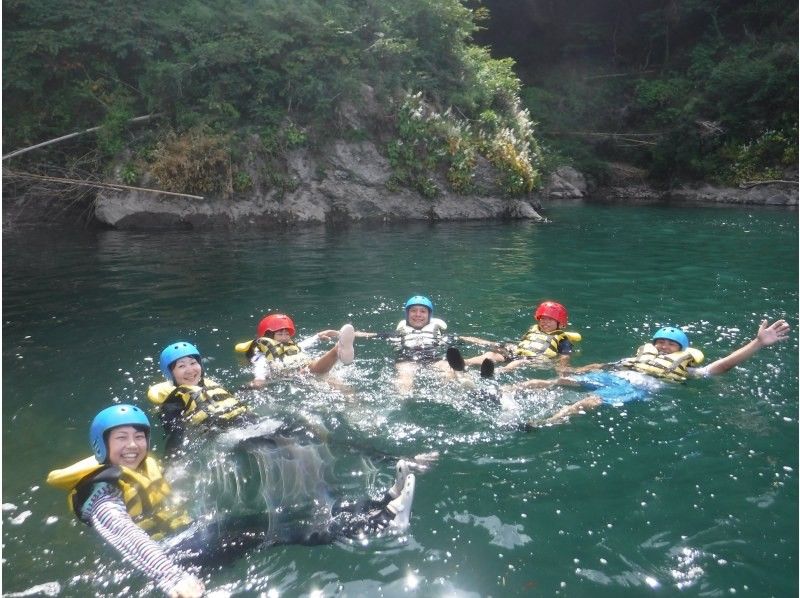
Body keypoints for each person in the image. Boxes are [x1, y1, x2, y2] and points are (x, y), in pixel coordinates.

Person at [47, 405, 417, 597]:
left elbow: (168, 489)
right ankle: (380, 524)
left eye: (139, 437)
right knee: (274, 531)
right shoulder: (99, 491)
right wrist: (171, 577)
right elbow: (124, 533)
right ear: (102, 444)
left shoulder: (144, 465)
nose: (132, 447)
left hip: (190, 535)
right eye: (121, 439)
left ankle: (376, 504)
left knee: (279, 515)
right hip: (171, 557)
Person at [513, 319, 791, 426]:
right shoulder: (640, 356)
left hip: (636, 388)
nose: (664, 347)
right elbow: (607, 365)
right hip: (617, 376)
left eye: (671, 344)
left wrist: (757, 343)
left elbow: (723, 366)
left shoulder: (688, 369)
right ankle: (502, 392)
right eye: (660, 342)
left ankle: (544, 422)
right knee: (559, 381)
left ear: (681, 349)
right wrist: (580, 368)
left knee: (588, 402)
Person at [148, 341, 253, 457]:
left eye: (193, 363)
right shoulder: (174, 402)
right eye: (181, 366)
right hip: (222, 435)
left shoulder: (208, 385)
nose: (190, 370)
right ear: (170, 374)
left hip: (247, 422)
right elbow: (175, 434)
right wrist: (172, 464)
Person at [447, 301, 580, 377]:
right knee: (492, 353)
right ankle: (464, 363)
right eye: (543, 319)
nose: (545, 322)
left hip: (536, 359)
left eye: (550, 320)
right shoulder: (534, 330)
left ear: (560, 323)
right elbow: (523, 343)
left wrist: (562, 369)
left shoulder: (563, 340)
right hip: (519, 352)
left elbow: (564, 357)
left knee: (518, 363)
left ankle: (495, 372)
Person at [359, 295, 452, 394]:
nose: (418, 314)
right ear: (407, 314)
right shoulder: (399, 333)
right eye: (413, 311)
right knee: (405, 381)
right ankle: (402, 401)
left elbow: (460, 338)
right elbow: (373, 335)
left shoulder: (438, 332)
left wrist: (471, 340)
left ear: (429, 315)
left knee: (448, 373)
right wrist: (350, 333)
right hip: (407, 359)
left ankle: (445, 395)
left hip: (434, 358)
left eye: (423, 311)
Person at [234, 313, 355, 389]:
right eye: (280, 334)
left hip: (305, 368)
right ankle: (337, 350)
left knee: (342, 386)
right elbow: (260, 366)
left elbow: (304, 344)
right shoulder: (264, 355)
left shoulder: (292, 346)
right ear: (268, 336)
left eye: (287, 334)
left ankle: (354, 408)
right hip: (297, 374)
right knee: (313, 368)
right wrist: (259, 379)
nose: (285, 337)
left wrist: (318, 336)